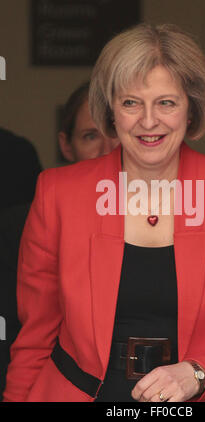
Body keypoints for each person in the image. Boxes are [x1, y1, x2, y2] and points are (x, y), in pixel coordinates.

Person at [3, 23, 205, 403]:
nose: (148, 121)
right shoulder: (58, 193)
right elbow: (33, 342)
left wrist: (197, 374)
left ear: (191, 107)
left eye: (166, 102)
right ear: (111, 110)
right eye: (131, 102)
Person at [0, 82, 118, 401]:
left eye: (116, 132)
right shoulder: (21, 226)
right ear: (66, 146)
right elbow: (26, 339)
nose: (107, 149)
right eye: (90, 136)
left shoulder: (178, 215)